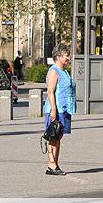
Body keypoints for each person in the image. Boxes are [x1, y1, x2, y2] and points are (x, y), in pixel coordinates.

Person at [43, 45, 76, 176]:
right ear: (58, 57)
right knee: (53, 136)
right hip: (56, 109)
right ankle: (51, 165)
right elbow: (50, 92)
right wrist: (53, 110)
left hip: (65, 108)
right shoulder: (54, 71)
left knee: (58, 137)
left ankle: (55, 164)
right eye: (66, 55)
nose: (69, 58)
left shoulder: (64, 71)